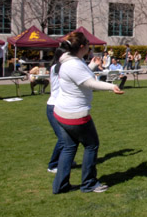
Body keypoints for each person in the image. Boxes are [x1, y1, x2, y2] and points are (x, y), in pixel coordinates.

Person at [52, 32, 123, 194]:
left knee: (69, 148)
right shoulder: (74, 64)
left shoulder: (67, 61)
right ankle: (89, 183)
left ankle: (60, 186)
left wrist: (91, 66)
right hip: (75, 115)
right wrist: (112, 87)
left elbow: (80, 77)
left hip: (61, 112)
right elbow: (90, 83)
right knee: (91, 145)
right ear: (82, 47)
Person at [46, 48, 67, 174]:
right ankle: (53, 165)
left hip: (62, 106)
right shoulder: (56, 67)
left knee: (69, 137)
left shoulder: (64, 68)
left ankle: (63, 160)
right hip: (53, 106)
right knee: (63, 138)